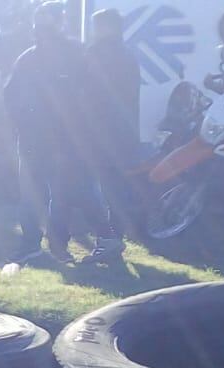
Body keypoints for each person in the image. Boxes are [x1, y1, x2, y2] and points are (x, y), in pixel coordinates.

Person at [4, 1, 113, 266]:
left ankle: (37, 244)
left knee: (38, 194)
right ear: (61, 22)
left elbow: (9, 96)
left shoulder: (28, 57)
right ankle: (64, 244)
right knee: (66, 192)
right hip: (63, 140)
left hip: (37, 140)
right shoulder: (75, 53)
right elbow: (96, 95)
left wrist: (21, 123)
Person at [84, 7, 141, 264]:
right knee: (117, 189)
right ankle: (115, 237)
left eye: (97, 27)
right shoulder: (129, 55)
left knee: (93, 189)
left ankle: (106, 240)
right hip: (124, 133)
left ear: (106, 27)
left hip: (98, 133)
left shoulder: (95, 55)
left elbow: (84, 95)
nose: (94, 33)